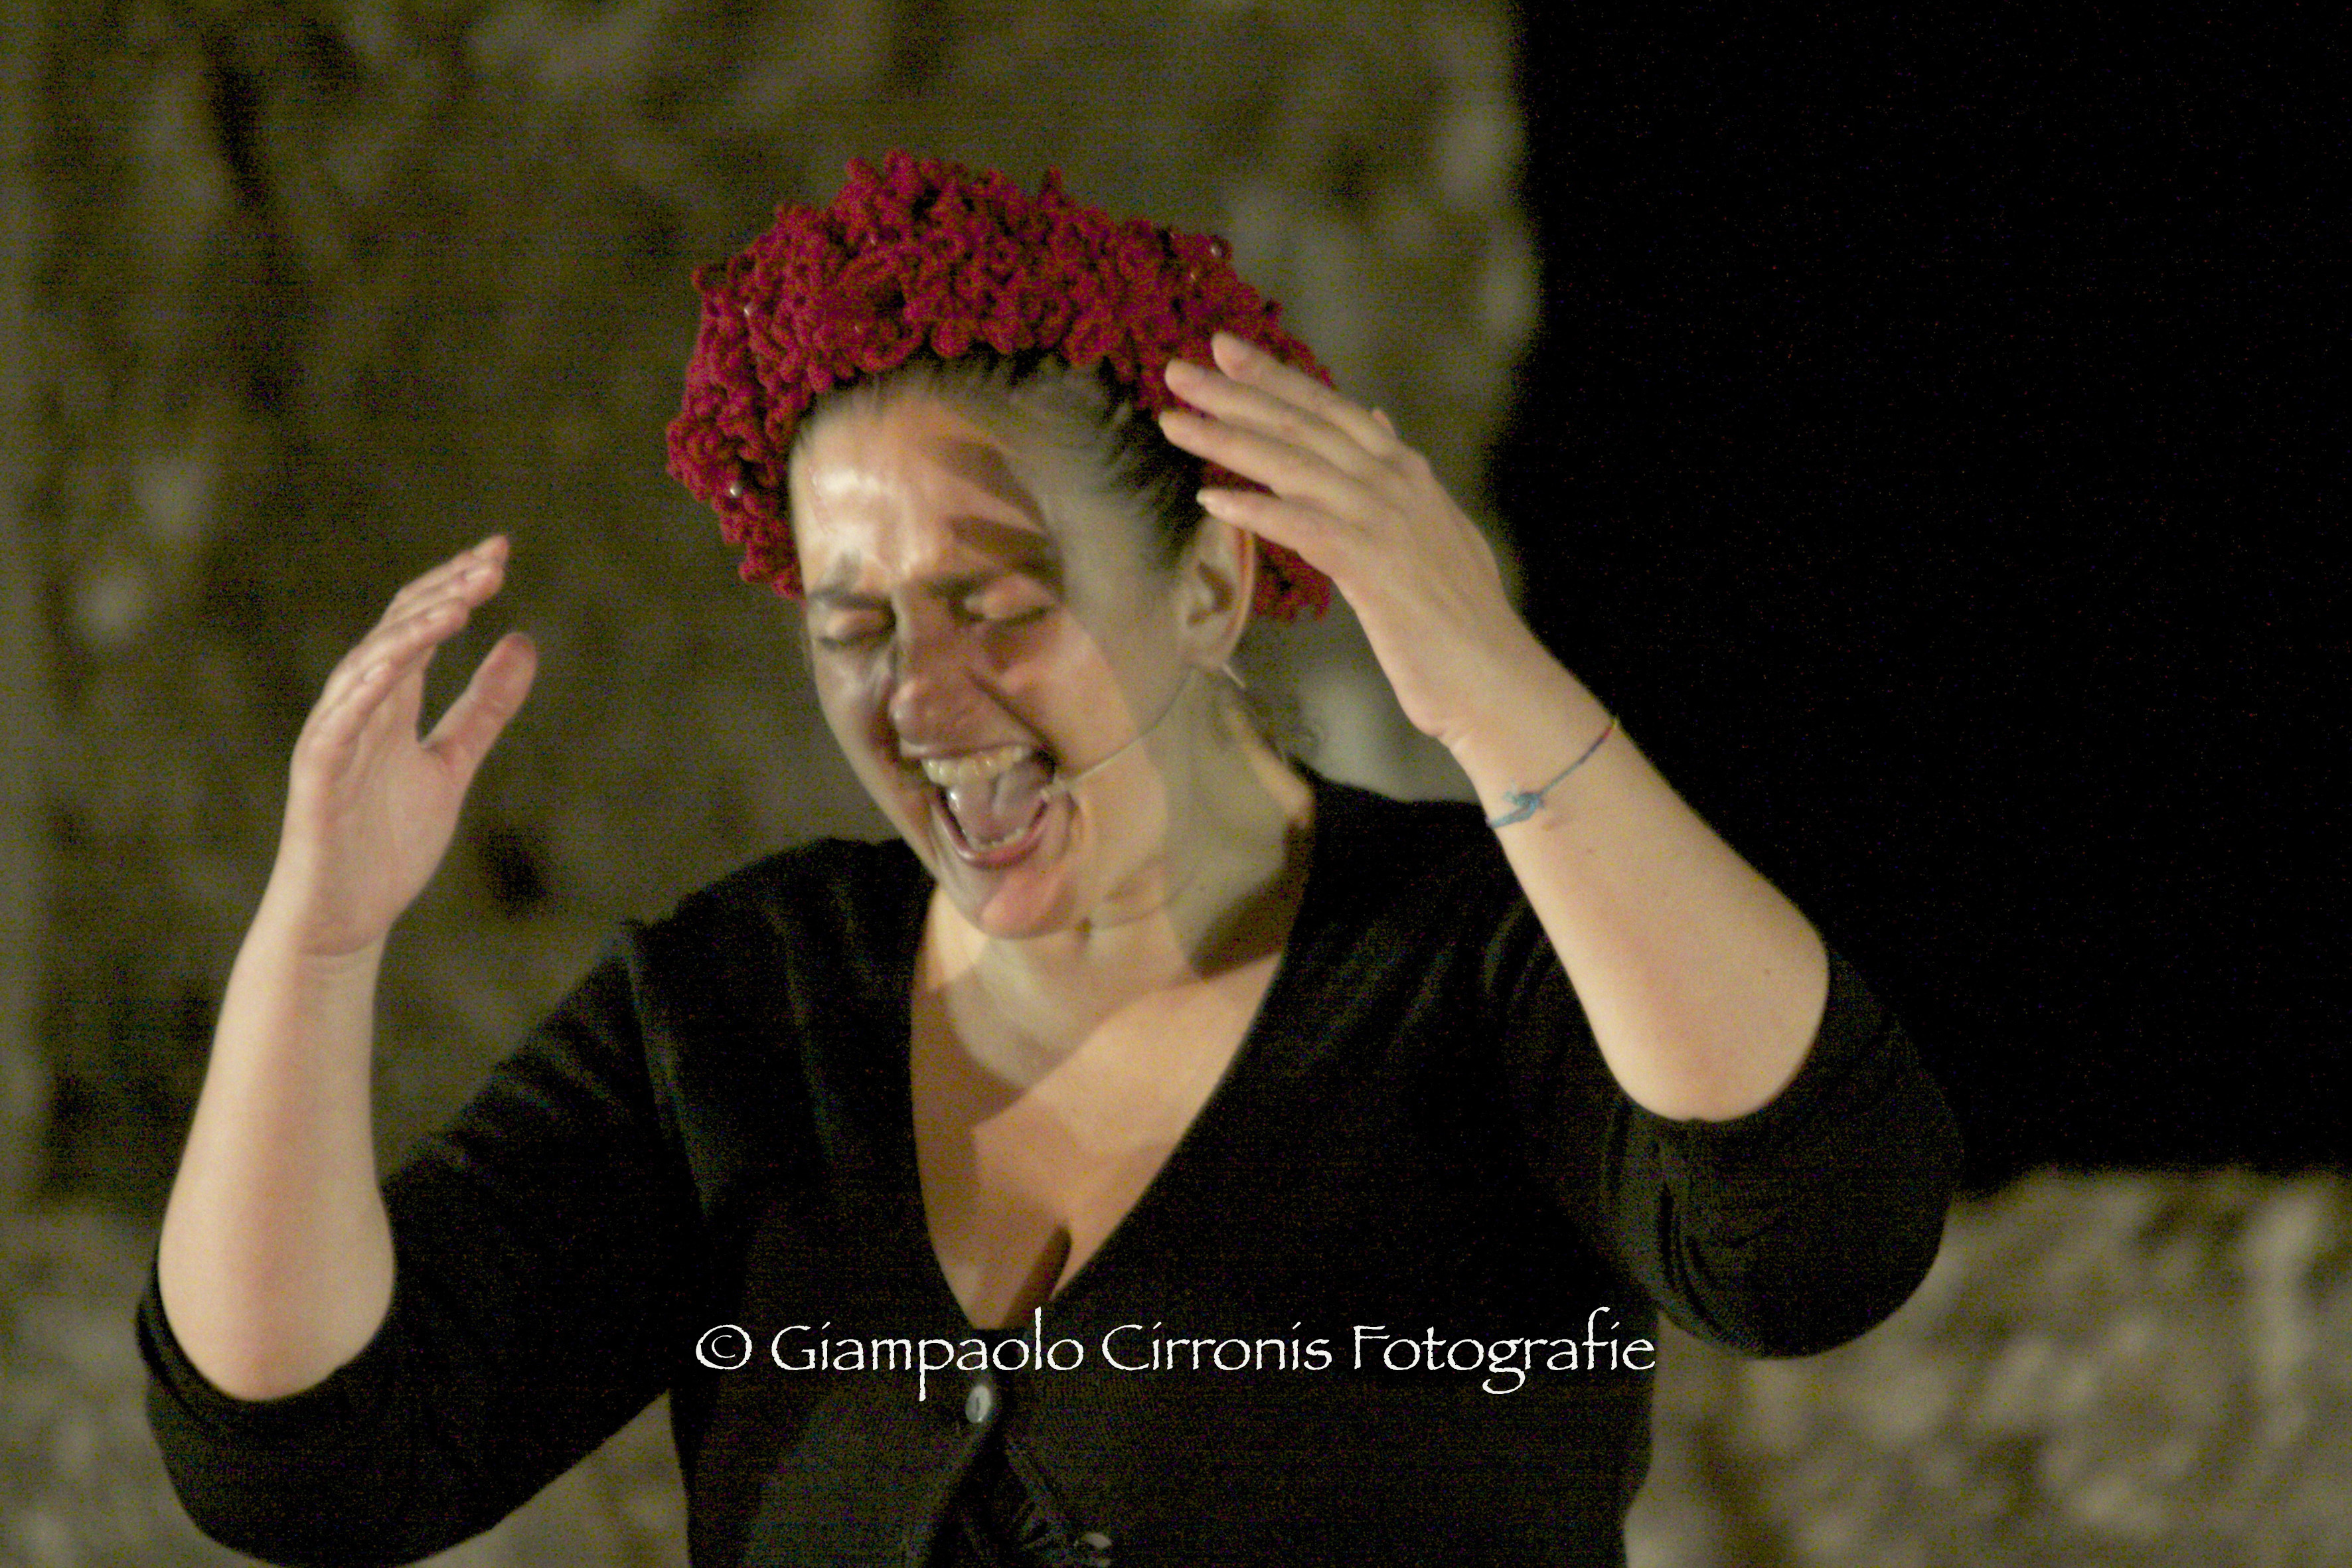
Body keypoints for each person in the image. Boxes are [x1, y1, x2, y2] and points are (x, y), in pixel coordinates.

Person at [140, 152, 1961, 1567]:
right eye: (852, 624)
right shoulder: (747, 1007)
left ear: (1213, 584)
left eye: (999, 603)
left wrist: (1498, 692)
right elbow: (308, 1453)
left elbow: (1817, 1233)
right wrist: (319, 939)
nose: (921, 695)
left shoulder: (1474, 965)